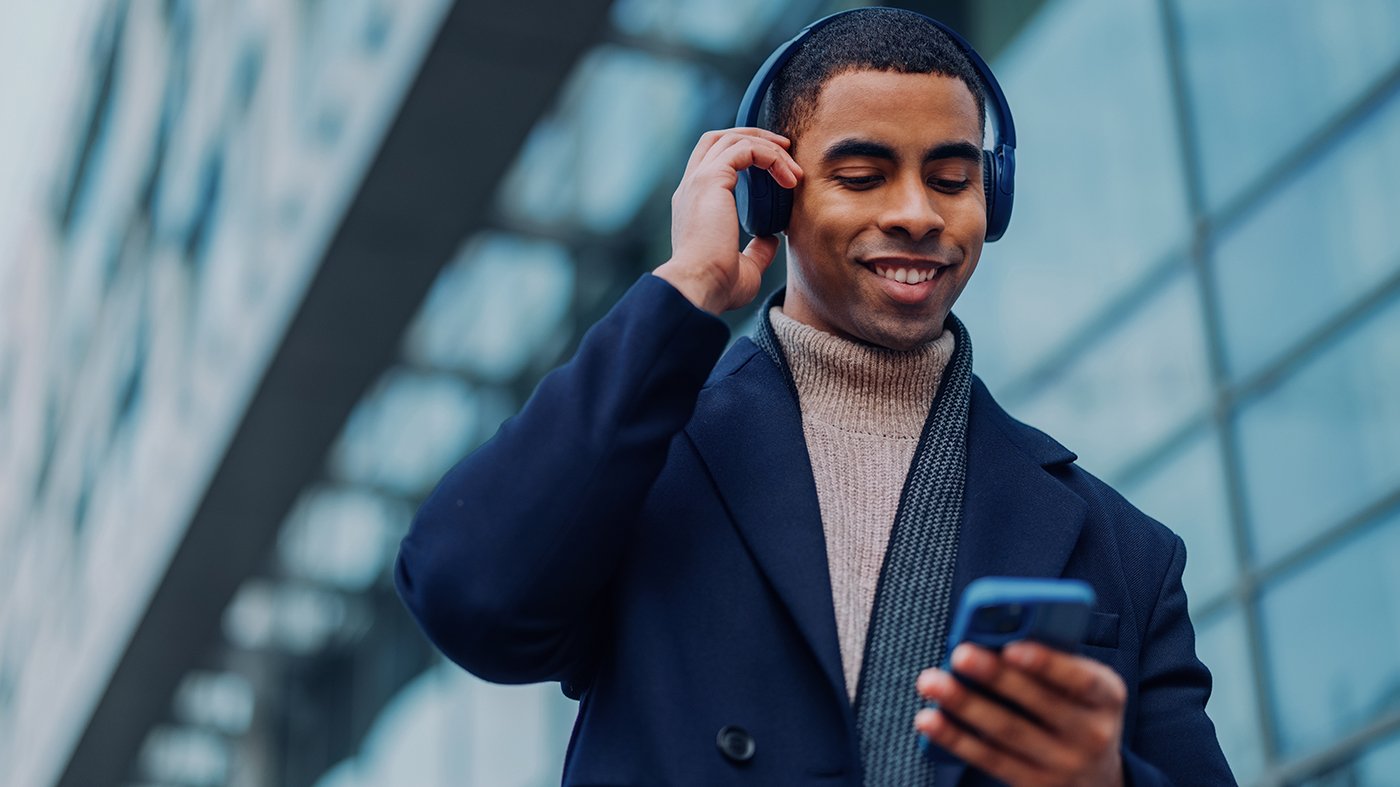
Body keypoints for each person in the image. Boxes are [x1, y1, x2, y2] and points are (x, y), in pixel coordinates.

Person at [395, 7, 1234, 786]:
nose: (916, 213)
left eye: (950, 179)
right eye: (864, 175)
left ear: (993, 198)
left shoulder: (1128, 550)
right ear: (776, 197)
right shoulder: (641, 460)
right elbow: (470, 597)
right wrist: (685, 288)